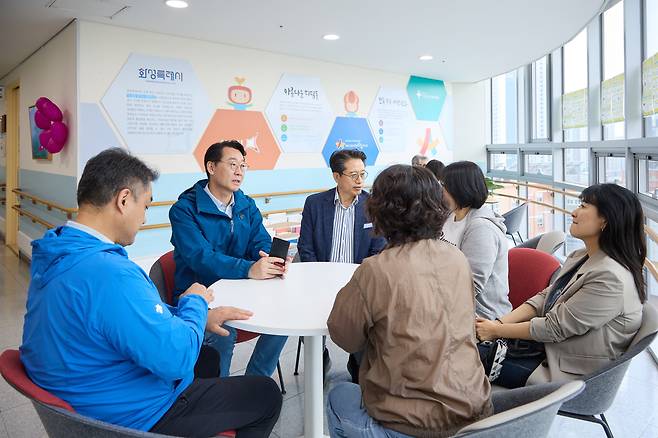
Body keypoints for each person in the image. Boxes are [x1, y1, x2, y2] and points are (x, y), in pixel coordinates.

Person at [20, 148, 282, 437]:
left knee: (207, 358)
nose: (144, 219)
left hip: (90, 391)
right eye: (145, 206)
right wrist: (194, 303)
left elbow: (119, 314)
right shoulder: (109, 273)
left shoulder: (57, 251)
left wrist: (197, 316)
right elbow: (177, 359)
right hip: (132, 415)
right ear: (123, 200)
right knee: (266, 394)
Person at [326, 164, 492, 438]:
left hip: (410, 424)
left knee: (339, 395)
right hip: (475, 413)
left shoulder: (375, 270)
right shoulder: (456, 258)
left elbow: (346, 338)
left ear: (380, 211)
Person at [476, 183, 646, 388]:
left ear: (605, 220)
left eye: (583, 206)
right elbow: (545, 298)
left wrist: (497, 331)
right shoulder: (583, 256)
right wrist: (498, 324)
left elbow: (553, 328)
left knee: (457, 357)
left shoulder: (611, 278)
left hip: (566, 370)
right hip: (545, 349)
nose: (574, 212)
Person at [169, 140, 288, 378]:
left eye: (243, 166)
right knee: (223, 332)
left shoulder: (245, 204)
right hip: (204, 293)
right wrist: (249, 269)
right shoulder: (184, 210)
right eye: (232, 164)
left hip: (241, 287)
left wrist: (270, 259)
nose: (239, 171)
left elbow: (260, 241)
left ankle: (255, 382)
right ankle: (219, 391)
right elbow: (201, 257)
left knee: (284, 314)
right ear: (211, 167)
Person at [297, 149, 386, 378]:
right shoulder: (315, 204)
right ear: (336, 176)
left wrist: (360, 282)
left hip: (358, 285)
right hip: (319, 283)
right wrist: (318, 279)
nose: (359, 181)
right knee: (308, 323)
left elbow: (377, 250)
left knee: (364, 330)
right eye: (353, 175)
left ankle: (356, 366)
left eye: (363, 174)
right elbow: (306, 247)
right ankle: (321, 359)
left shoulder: (373, 205)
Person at [440, 161, 512, 320]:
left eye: (444, 185)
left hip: (481, 317)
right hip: (451, 305)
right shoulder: (450, 216)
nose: (441, 191)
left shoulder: (482, 228)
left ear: (458, 189)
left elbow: (471, 285)